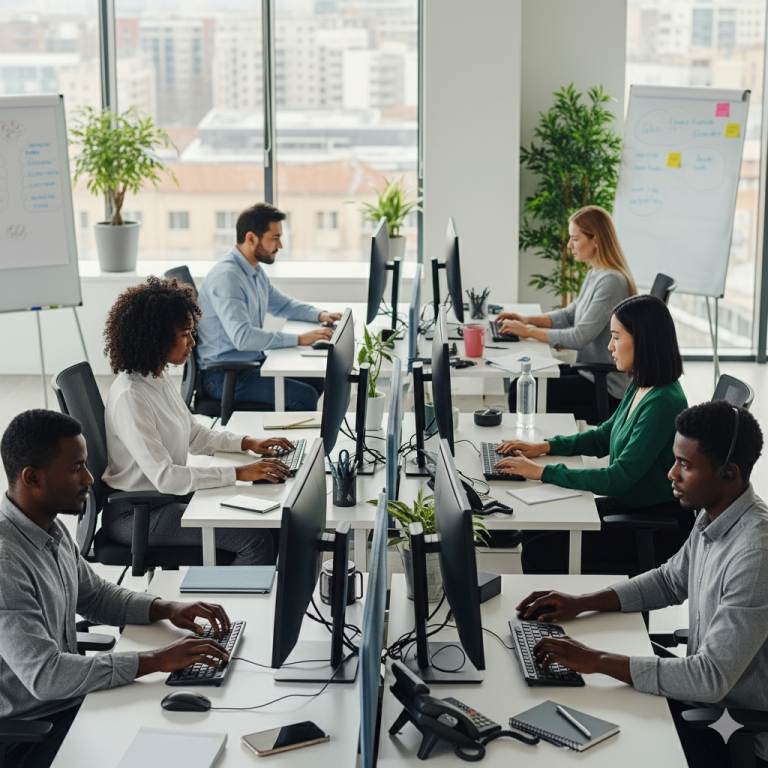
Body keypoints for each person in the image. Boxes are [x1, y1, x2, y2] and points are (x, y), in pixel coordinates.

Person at [516, 400, 768, 768]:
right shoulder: (714, 515)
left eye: (685, 465)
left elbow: (710, 678)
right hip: (704, 704)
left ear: (729, 473)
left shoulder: (755, 555)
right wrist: (581, 601)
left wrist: (596, 660)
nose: (671, 474)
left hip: (729, 732)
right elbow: (669, 580)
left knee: (594, 746)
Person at [0, 409, 234, 768]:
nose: (90, 479)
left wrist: (167, 608)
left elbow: (95, 596)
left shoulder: (49, 528)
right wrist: (155, 660)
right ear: (32, 477)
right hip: (33, 734)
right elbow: (46, 677)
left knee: (191, 728)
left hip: (70, 703)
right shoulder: (5, 562)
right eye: (76, 468)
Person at [102, 277, 293, 565]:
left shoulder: (156, 374)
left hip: (167, 498)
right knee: (254, 540)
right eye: (185, 334)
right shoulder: (131, 396)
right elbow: (166, 477)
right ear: (156, 337)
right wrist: (240, 473)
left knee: (269, 518)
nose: (193, 342)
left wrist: (247, 443)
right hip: (139, 513)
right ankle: (233, 609)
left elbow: (193, 435)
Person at [495, 294, 688, 574]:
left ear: (643, 341)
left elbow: (617, 478)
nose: (609, 346)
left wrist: (543, 472)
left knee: (539, 551)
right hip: (630, 505)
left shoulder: (662, 401)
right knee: (534, 529)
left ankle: (556, 613)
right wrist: (544, 447)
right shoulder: (642, 382)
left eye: (616, 337)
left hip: (650, 524)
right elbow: (603, 436)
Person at [196, 202, 342, 411]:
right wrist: (299, 339)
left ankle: (285, 433)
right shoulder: (227, 278)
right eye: (274, 239)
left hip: (249, 363)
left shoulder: (253, 270)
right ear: (251, 238)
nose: (280, 246)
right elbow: (243, 337)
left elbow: (282, 305)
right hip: (224, 376)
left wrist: (321, 315)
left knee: (317, 379)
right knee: (304, 397)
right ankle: (290, 443)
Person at [500, 206, 636, 423]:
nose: (569, 245)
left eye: (575, 238)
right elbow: (571, 314)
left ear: (596, 240)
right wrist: (526, 319)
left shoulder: (611, 282)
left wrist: (528, 332)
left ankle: (528, 446)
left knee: (522, 390)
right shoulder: (596, 273)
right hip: (587, 373)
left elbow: (579, 337)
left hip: (604, 384)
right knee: (523, 384)